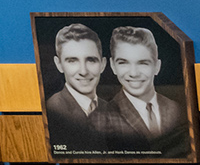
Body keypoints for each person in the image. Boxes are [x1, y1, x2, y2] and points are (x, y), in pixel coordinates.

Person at [104, 24, 186, 156]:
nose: (134, 73)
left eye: (143, 63)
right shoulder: (103, 116)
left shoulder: (175, 108)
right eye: (123, 63)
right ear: (113, 66)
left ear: (157, 66)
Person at [42, 23, 109, 154]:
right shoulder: (52, 110)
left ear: (103, 64)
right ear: (59, 64)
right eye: (72, 60)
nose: (83, 71)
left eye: (91, 60)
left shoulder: (112, 109)